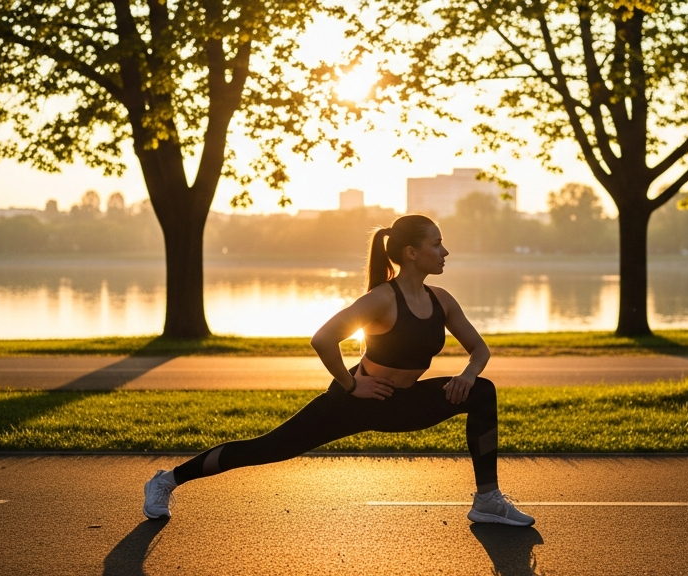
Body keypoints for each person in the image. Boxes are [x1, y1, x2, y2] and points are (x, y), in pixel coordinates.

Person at [142, 214, 533, 526]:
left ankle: (487, 500)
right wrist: (350, 386)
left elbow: (479, 349)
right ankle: (167, 480)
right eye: (437, 243)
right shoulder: (381, 299)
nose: (445, 251)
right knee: (268, 448)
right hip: (358, 400)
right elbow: (323, 338)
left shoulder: (441, 300)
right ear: (412, 253)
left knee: (482, 391)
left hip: (406, 403)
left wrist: (467, 375)